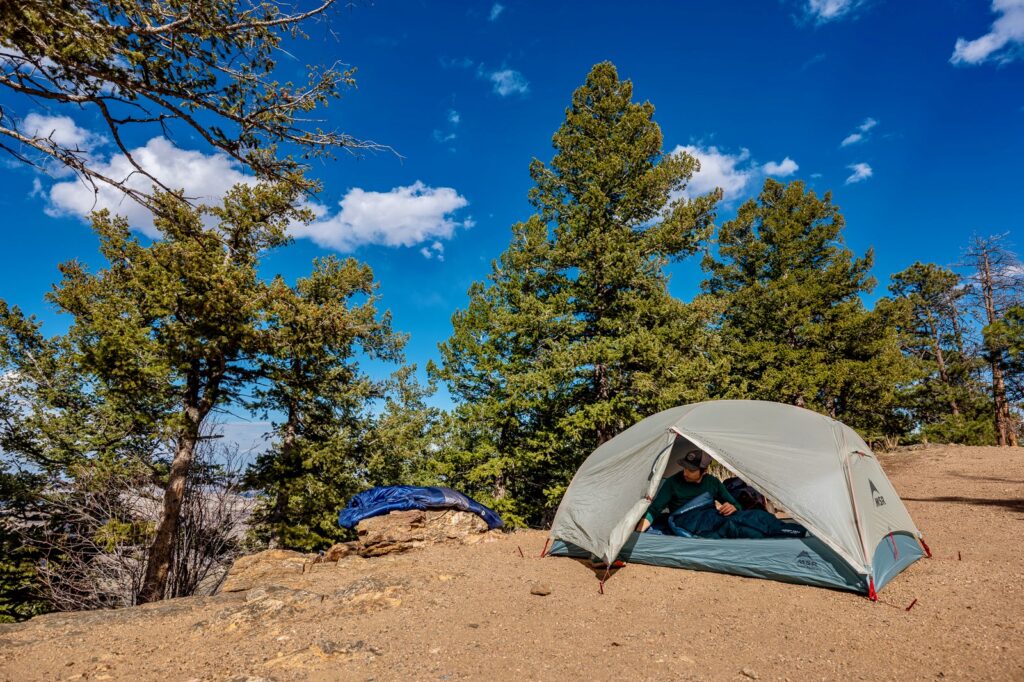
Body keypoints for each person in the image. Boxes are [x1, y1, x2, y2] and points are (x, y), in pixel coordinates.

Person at [636, 446, 742, 533]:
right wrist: (638, 533)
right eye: (685, 467)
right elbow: (654, 510)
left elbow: (736, 505)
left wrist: (732, 507)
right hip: (682, 524)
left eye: (691, 470)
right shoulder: (673, 482)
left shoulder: (713, 483)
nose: (685, 473)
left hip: (707, 523)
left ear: (704, 471)